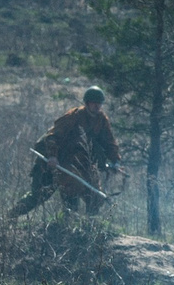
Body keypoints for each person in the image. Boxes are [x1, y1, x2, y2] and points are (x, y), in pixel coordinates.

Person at [9, 86, 119, 217]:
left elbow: (109, 142)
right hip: (54, 163)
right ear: (87, 103)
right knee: (39, 196)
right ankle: (10, 216)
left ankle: (88, 224)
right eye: (94, 103)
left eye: (99, 103)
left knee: (94, 196)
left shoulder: (101, 120)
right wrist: (52, 156)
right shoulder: (73, 116)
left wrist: (115, 161)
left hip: (78, 165)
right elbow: (52, 137)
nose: (97, 106)